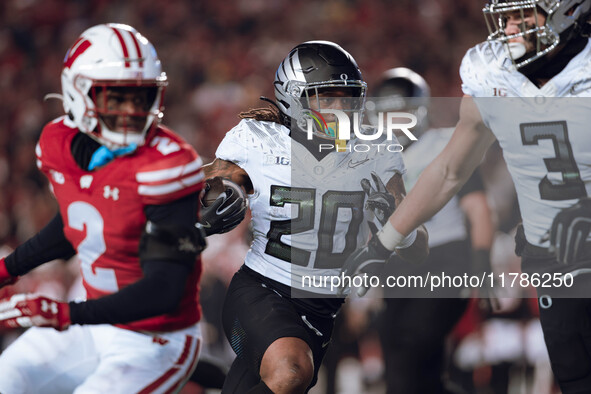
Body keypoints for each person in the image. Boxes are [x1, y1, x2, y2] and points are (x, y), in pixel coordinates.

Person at [342, 1, 591, 393]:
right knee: (575, 376)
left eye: (520, 17)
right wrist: (386, 240)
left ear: (568, 11)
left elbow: (466, 195)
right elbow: (447, 171)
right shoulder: (493, 76)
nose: (508, 28)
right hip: (551, 256)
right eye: (505, 16)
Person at [0, 23, 241, 393]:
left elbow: (163, 288)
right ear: (78, 92)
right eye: (117, 97)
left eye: (141, 97)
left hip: (155, 336)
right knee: (7, 377)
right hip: (90, 312)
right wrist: (9, 268)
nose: (131, 111)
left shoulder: (169, 165)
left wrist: (65, 313)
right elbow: (76, 222)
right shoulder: (57, 142)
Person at [202, 40, 428, 393]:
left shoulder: (378, 150)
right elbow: (208, 190)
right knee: (290, 373)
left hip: (323, 307)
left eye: (347, 97)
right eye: (327, 96)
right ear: (293, 97)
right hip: (261, 290)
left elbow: (417, 250)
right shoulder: (257, 140)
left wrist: (398, 227)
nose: (340, 108)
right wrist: (216, 198)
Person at [371, 67, 495, 394]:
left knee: (411, 350)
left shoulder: (443, 145)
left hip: (444, 259)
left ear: (418, 112)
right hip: (396, 270)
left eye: (398, 112)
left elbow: (477, 206)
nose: (390, 121)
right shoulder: (374, 159)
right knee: (410, 372)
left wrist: (481, 260)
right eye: (384, 113)